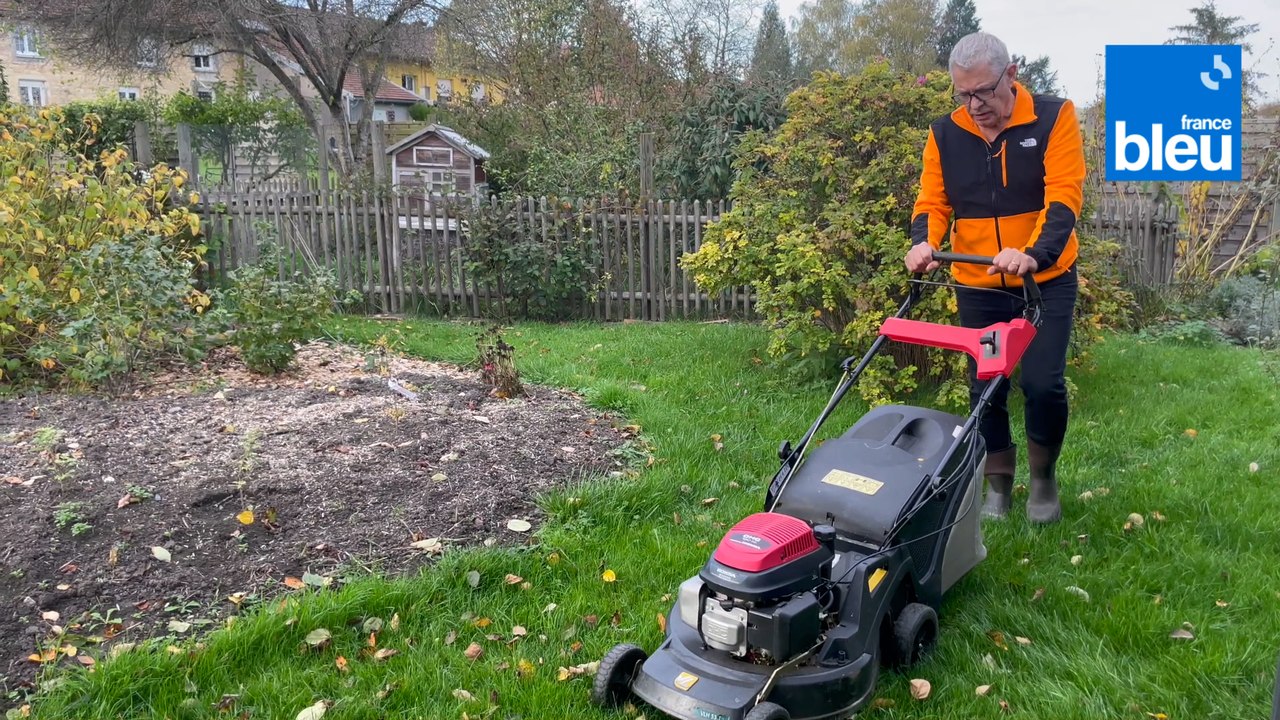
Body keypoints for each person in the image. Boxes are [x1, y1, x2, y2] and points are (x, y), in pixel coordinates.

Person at [905, 31, 1085, 525]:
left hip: (1044, 280)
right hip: (978, 285)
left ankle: (1043, 480)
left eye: (983, 91)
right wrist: (924, 242)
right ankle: (999, 486)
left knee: (1043, 384)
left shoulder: (1053, 117)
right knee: (986, 387)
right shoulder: (946, 133)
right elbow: (933, 202)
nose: (974, 105)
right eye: (963, 94)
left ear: (1011, 74)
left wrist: (1034, 254)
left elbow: (1064, 196)